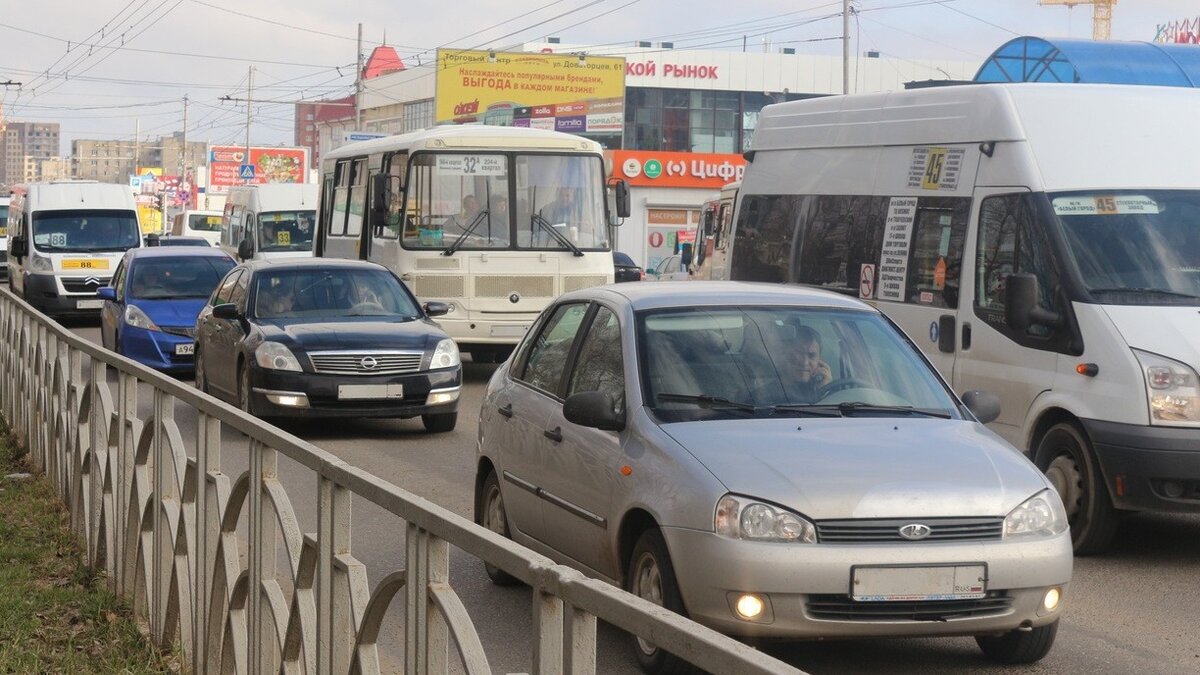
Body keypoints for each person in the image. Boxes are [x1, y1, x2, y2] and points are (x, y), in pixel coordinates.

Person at [772, 323, 833, 403]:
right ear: (785, 355)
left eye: (812, 356)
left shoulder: (831, 395)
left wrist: (824, 390)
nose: (805, 362)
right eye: (799, 354)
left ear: (819, 360)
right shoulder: (764, 396)